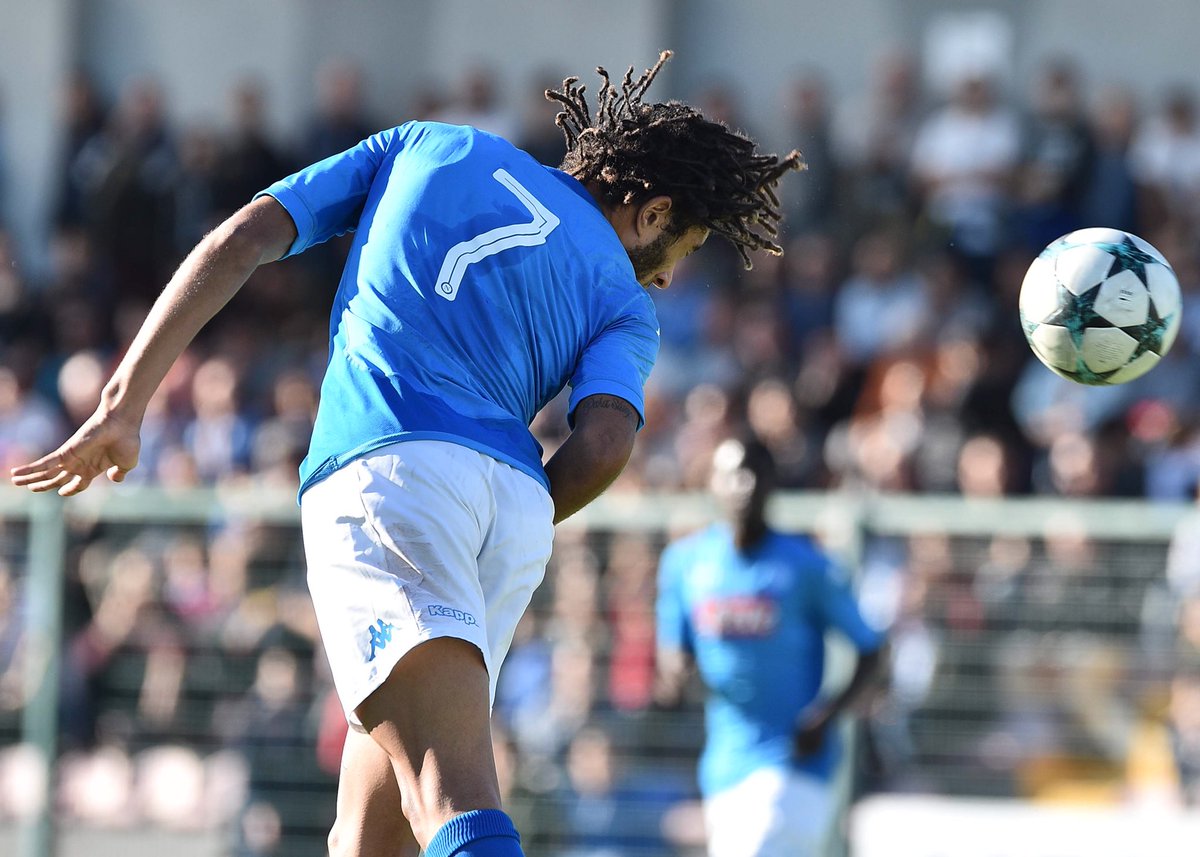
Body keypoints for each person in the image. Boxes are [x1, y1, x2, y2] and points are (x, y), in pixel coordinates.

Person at [11, 52, 803, 857]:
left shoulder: (425, 142)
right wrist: (506, 514)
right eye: (688, 249)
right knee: (368, 836)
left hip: (390, 474)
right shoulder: (626, 303)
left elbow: (246, 236)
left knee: (446, 794)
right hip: (509, 506)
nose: (670, 278)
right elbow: (602, 444)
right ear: (653, 212)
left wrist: (124, 403)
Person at [655, 434, 885, 857]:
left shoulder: (807, 565)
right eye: (730, 474)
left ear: (771, 483)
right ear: (711, 484)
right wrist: (675, 677)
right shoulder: (686, 565)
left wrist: (825, 717)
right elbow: (673, 654)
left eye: (753, 472)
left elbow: (872, 648)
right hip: (724, 764)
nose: (742, 485)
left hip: (794, 766)